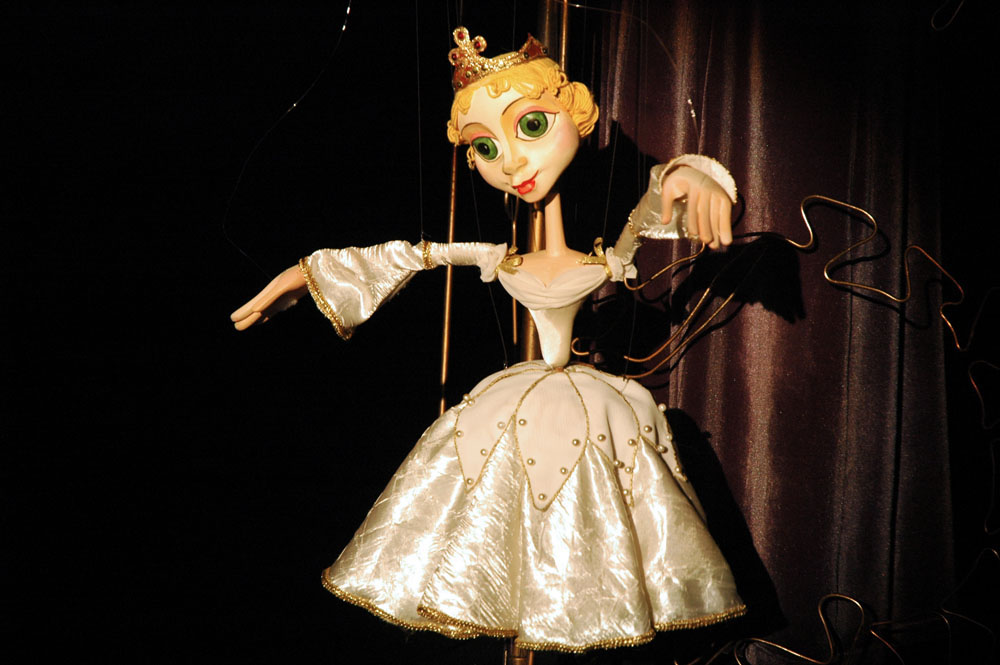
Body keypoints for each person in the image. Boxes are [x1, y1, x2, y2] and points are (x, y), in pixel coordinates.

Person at [231, 27, 744, 654]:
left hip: (594, 406)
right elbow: (411, 255)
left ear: (575, 114)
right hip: (513, 402)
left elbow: (655, 203)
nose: (512, 163)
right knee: (487, 513)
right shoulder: (497, 256)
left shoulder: (610, 256)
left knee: (593, 521)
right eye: (484, 146)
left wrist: (689, 177)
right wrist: (309, 275)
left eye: (531, 126)